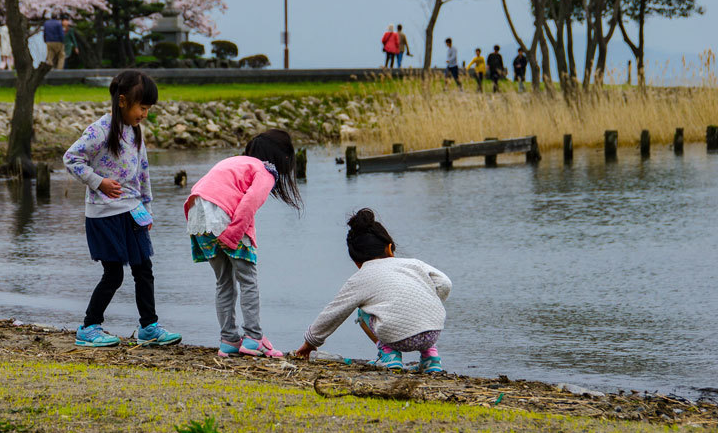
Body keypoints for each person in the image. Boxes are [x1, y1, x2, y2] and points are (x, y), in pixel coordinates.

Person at [63, 70, 181, 348]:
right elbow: (71, 158)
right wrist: (98, 181)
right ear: (123, 101)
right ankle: (89, 327)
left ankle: (149, 327)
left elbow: (143, 173)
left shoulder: (136, 132)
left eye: (148, 108)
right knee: (113, 274)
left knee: (144, 269)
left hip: (133, 210)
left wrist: (147, 208)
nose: (145, 114)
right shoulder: (100, 130)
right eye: (142, 107)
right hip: (103, 215)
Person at [185, 129, 303, 358]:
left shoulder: (235, 161)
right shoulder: (265, 171)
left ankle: (228, 339)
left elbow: (206, 189)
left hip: (197, 215)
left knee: (224, 282)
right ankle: (253, 338)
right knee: (248, 280)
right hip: (222, 216)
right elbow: (249, 204)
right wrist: (234, 234)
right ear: (282, 157)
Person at [293, 209, 451, 373]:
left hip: (396, 338)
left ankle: (389, 355)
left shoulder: (360, 278)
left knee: (363, 312)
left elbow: (334, 312)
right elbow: (445, 283)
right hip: (432, 332)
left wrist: (310, 343)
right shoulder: (414, 264)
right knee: (421, 309)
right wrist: (426, 299)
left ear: (356, 261)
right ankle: (431, 359)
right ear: (390, 248)